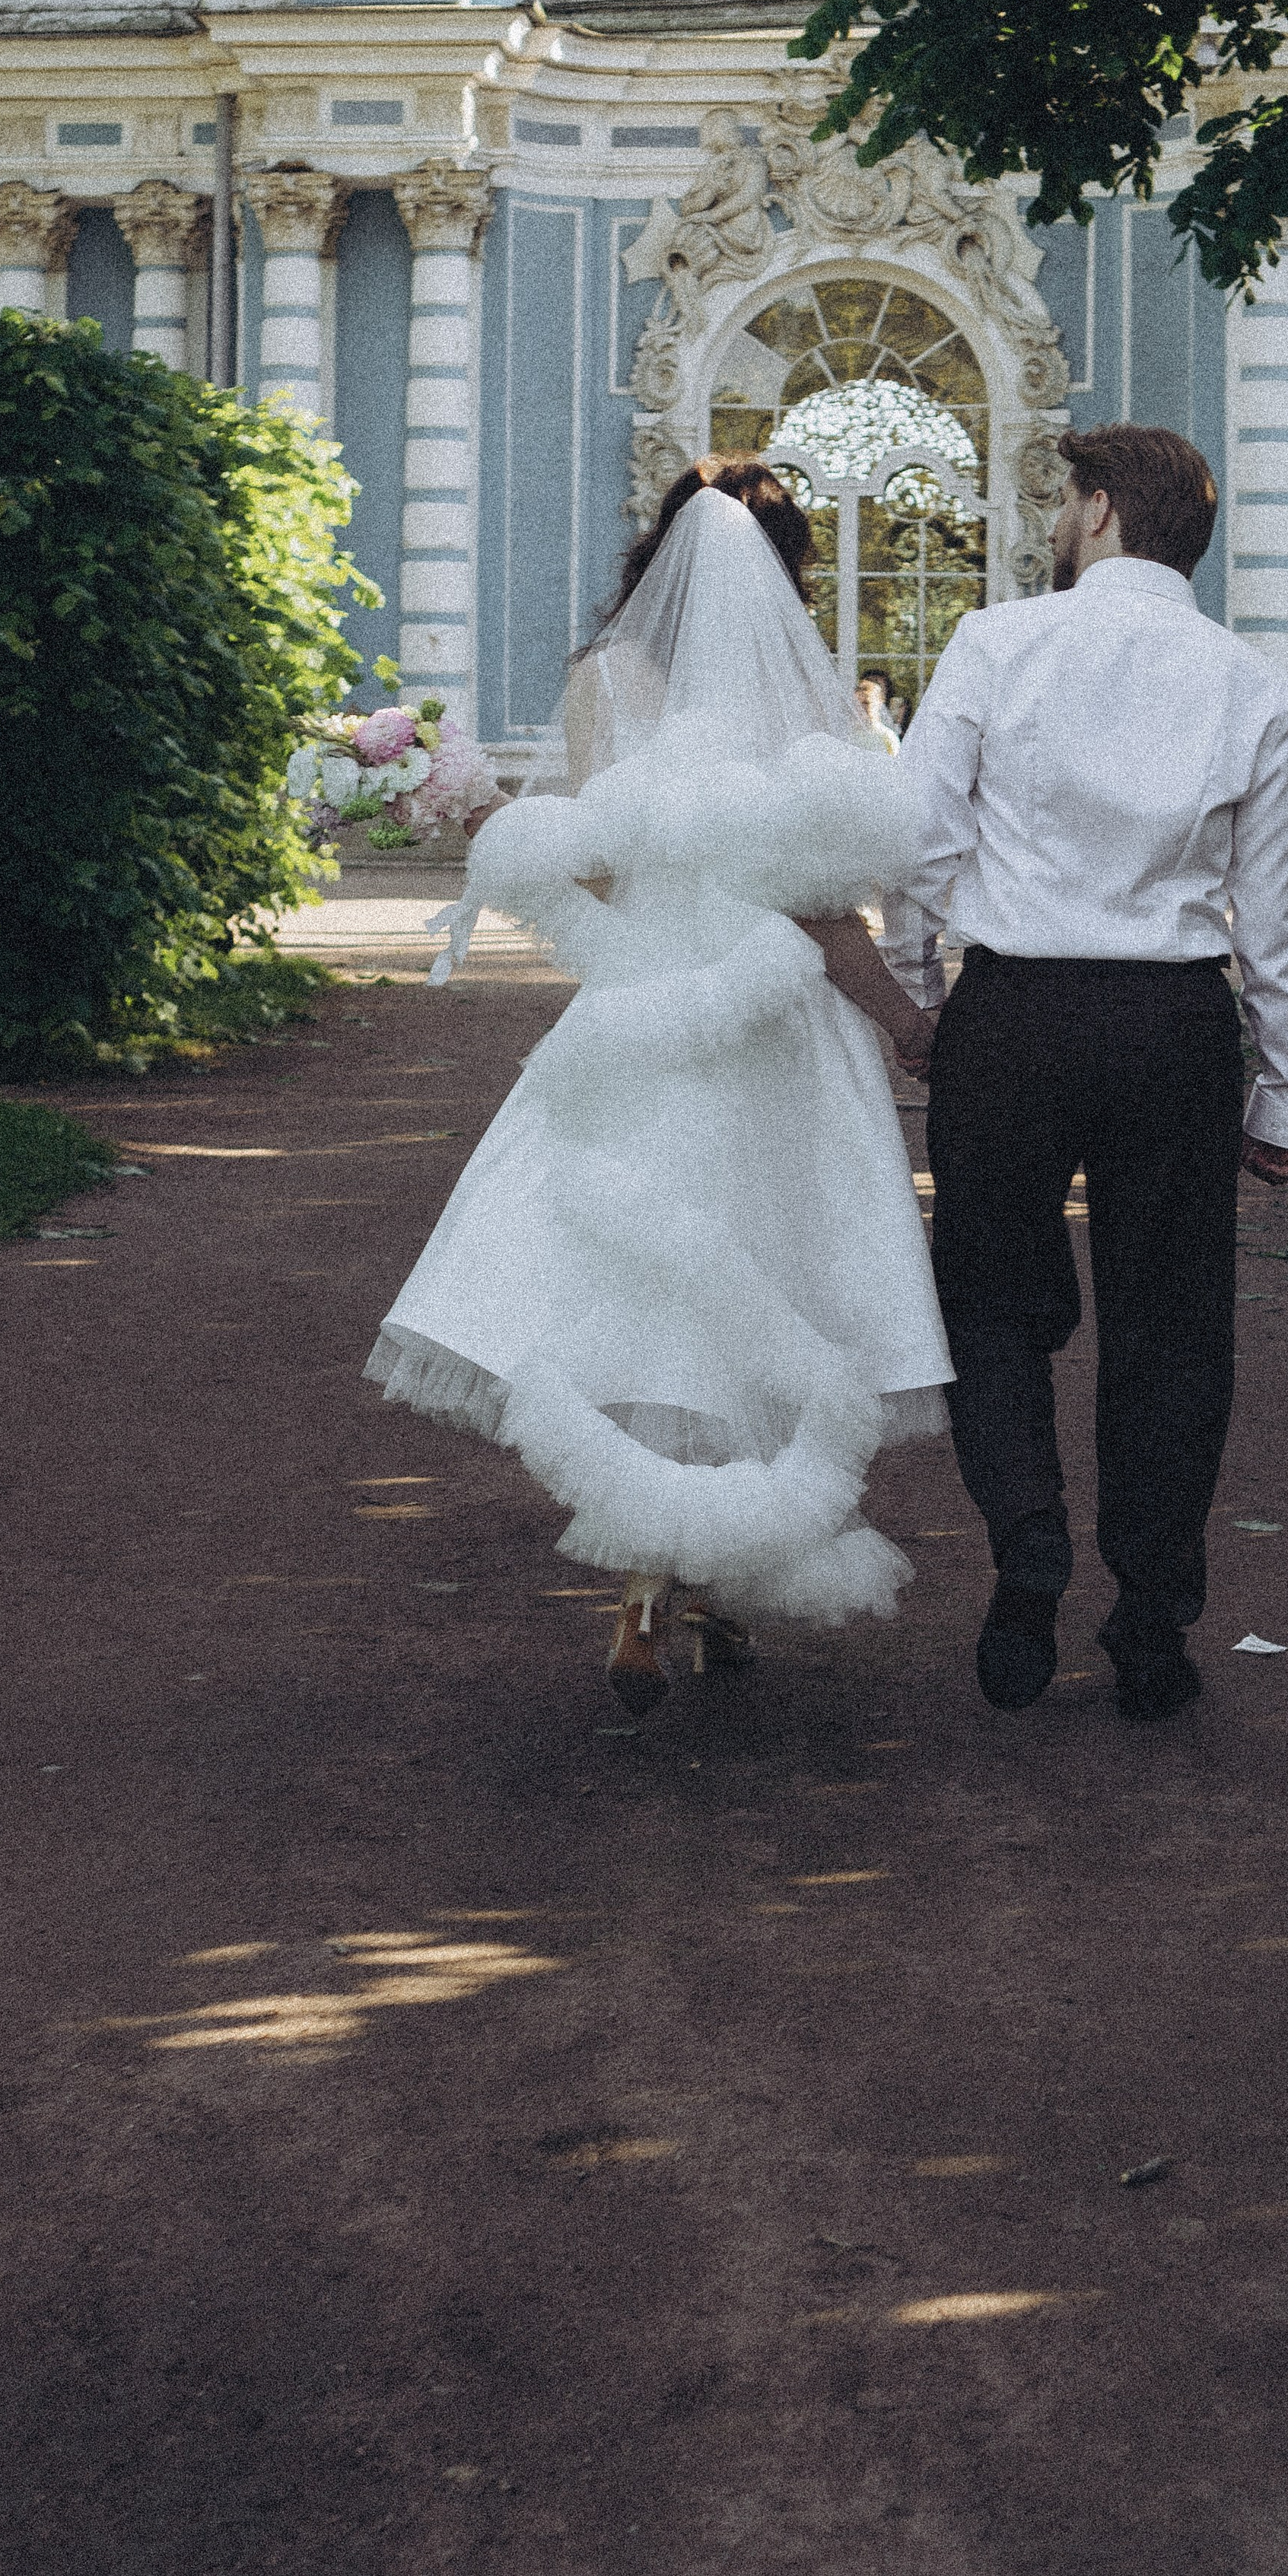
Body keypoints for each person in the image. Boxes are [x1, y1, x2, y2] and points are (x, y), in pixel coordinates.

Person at [369, 456, 949, 1718]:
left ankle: (652, 1585)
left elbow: (590, 877)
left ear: (658, 556)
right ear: (784, 573)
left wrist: (477, 816)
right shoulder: (801, 707)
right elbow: (822, 913)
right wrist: (908, 1023)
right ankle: (711, 1577)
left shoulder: (600, 686)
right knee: (759, 1289)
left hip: (637, 1021)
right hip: (774, 1035)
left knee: (650, 1298)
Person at [879, 421, 1288, 1722]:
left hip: (1013, 1011)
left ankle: (1027, 1534)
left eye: (1070, 502)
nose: (1061, 522)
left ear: (1103, 513)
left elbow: (915, 842)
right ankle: (1147, 1618)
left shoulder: (997, 642)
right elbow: (1280, 917)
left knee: (987, 1298)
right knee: (1175, 1327)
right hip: (1175, 1025)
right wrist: (1282, 1095)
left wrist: (922, 1002)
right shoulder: (1251, 681)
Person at [854, 669, 901, 754]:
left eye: (867, 703)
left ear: (880, 702)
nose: (862, 708)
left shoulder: (888, 736)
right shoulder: (846, 734)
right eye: (859, 704)